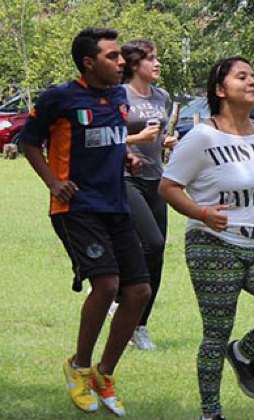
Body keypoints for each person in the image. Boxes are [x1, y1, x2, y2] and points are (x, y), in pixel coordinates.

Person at [160, 56, 254, 420]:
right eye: (242, 77)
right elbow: (168, 186)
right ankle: (210, 413)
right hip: (213, 245)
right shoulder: (201, 137)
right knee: (216, 330)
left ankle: (243, 352)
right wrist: (201, 213)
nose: (252, 82)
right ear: (220, 89)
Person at [20, 27, 150, 417]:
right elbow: (28, 141)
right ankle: (78, 366)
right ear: (89, 62)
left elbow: (107, 137)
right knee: (107, 283)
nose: (122, 62)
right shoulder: (59, 97)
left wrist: (125, 155)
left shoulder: (117, 96)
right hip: (76, 208)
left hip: (116, 206)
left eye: (120, 56)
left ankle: (103, 373)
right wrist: (54, 181)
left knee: (139, 292)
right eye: (112, 57)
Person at [120, 38, 178, 350]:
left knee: (157, 252)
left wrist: (167, 142)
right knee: (150, 241)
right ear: (133, 64)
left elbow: (161, 134)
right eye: (150, 59)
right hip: (126, 178)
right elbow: (108, 135)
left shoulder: (162, 96)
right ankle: (118, 296)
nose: (156, 63)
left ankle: (139, 325)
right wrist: (136, 138)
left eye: (157, 58)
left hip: (157, 178)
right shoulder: (119, 94)